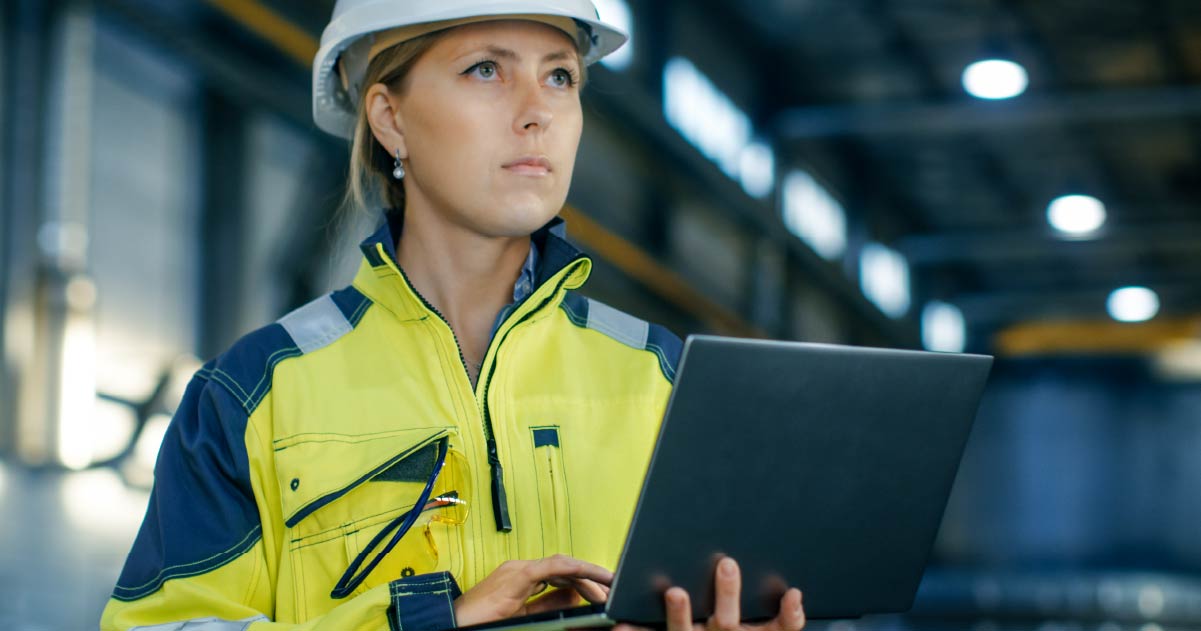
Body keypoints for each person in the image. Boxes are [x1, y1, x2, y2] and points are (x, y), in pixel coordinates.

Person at [100, 2, 807, 630]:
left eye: (560, 75)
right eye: (485, 71)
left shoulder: (668, 379)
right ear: (389, 118)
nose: (538, 110)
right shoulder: (251, 397)